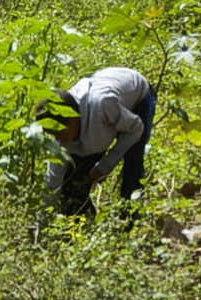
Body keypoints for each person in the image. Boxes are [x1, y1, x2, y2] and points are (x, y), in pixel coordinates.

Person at [39, 67, 155, 215]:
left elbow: (136, 128)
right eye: (53, 135)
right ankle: (81, 219)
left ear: (73, 120)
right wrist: (42, 220)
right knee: (73, 183)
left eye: (60, 133)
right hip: (102, 116)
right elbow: (53, 183)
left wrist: (104, 166)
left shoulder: (103, 104)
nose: (58, 139)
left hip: (137, 99)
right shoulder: (61, 133)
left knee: (132, 166)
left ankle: (132, 219)